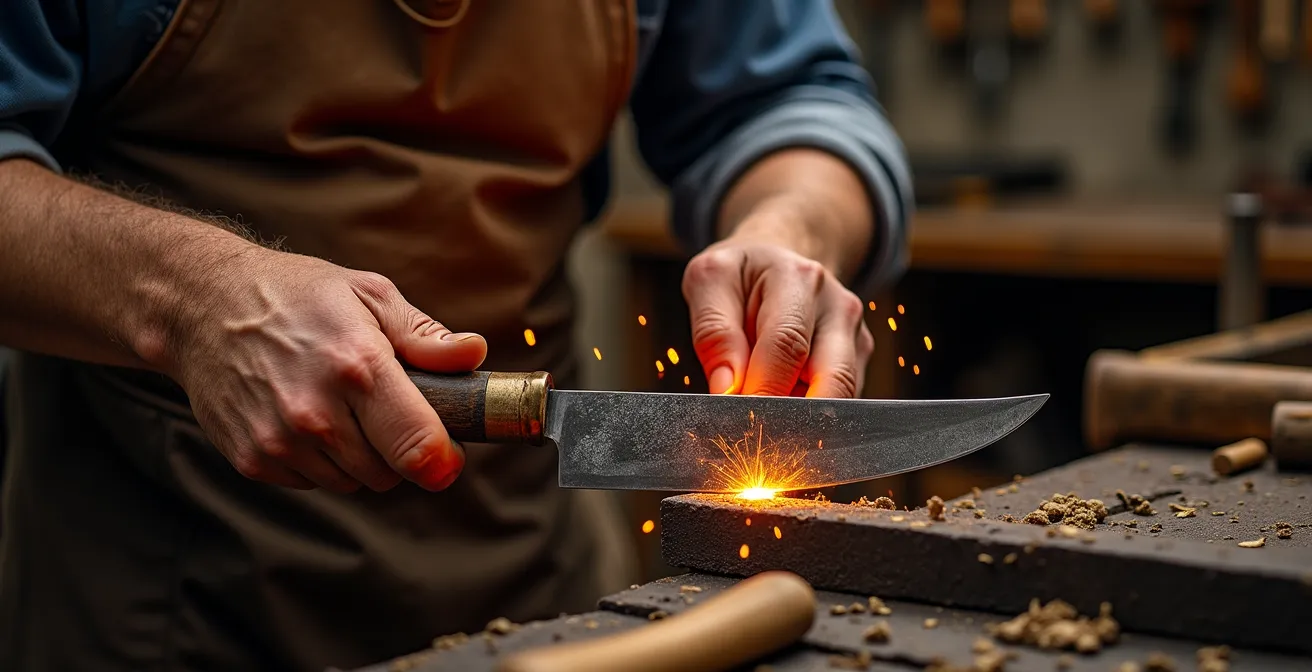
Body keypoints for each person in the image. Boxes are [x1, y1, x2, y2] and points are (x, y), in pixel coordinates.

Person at [0, 0, 911, 669]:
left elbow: (790, 98)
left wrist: (788, 229)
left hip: (544, 599)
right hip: (179, 607)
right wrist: (190, 297)